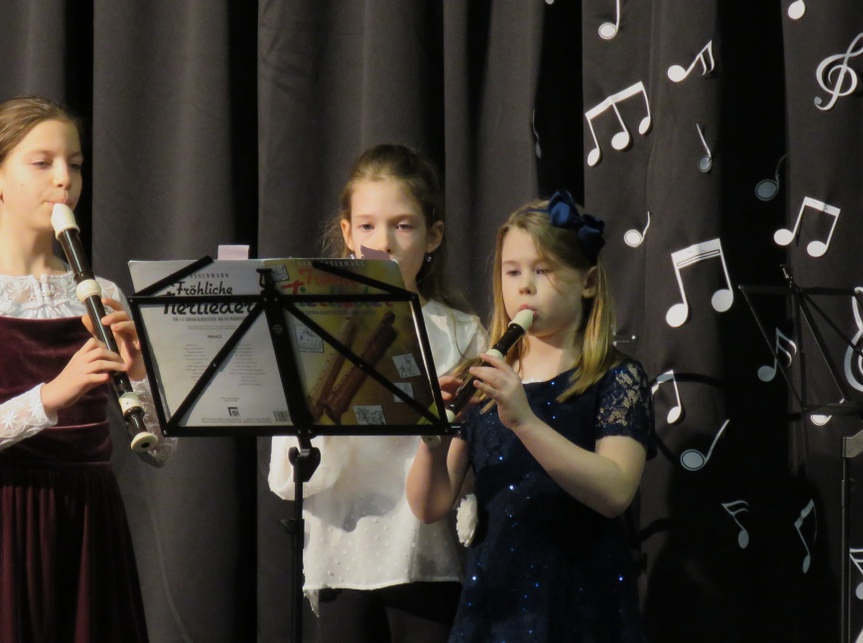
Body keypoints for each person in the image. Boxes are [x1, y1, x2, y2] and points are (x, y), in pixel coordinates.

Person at [0, 95, 175, 643]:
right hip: (0, 524)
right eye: (42, 163)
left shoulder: (102, 293)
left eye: (74, 164)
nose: (65, 180)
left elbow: (159, 451)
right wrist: (51, 396)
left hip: (90, 519)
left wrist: (139, 377)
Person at [406, 191, 655, 642]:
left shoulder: (617, 377)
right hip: (492, 612)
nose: (524, 286)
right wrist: (432, 436)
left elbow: (616, 490)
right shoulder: (482, 376)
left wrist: (524, 421)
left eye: (543, 270)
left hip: (581, 612)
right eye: (512, 271)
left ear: (588, 283)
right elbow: (429, 507)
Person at [268, 144, 487, 642]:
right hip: (342, 561)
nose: (382, 242)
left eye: (402, 226)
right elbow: (288, 477)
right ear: (347, 234)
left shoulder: (460, 332)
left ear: (433, 236)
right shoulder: (314, 329)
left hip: (429, 561)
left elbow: (472, 472)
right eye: (366, 226)